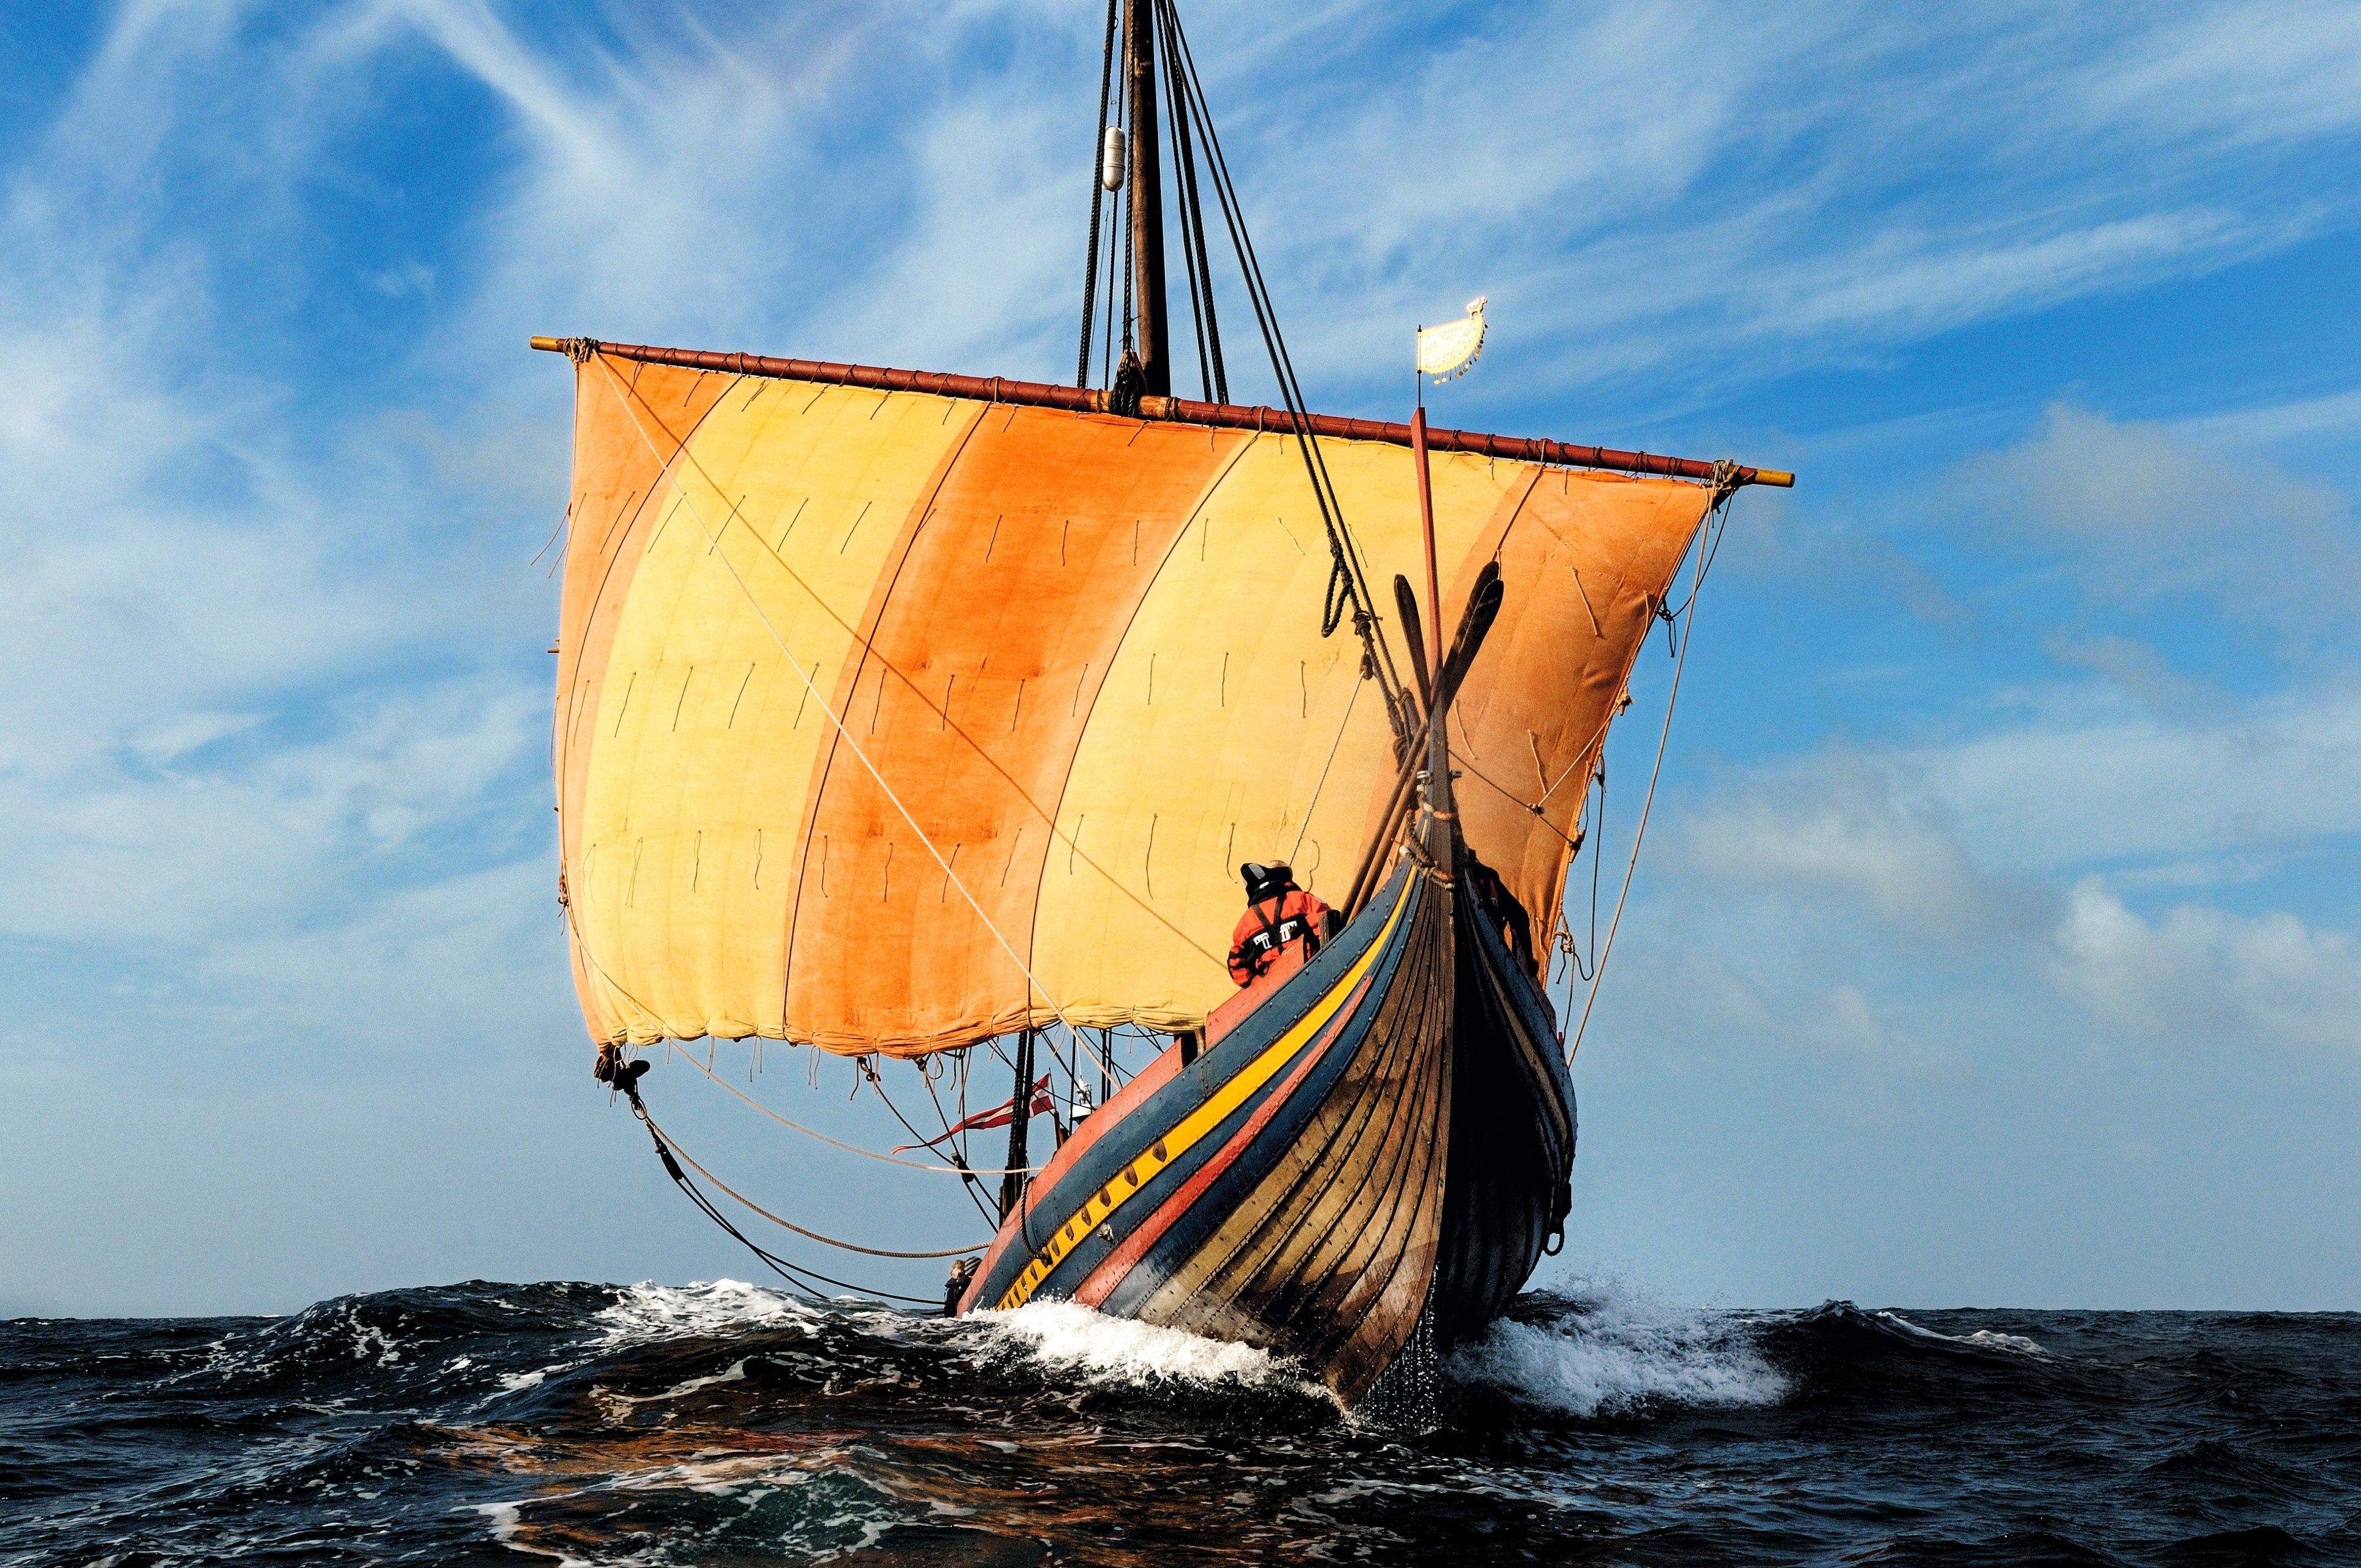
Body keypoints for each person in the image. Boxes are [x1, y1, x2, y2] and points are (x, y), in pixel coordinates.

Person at [1227, 862, 1332, 987]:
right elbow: (1329, 926)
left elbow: (1238, 972)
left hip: (1272, 993)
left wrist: (1258, 983)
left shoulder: (1243, 925)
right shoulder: (1302, 900)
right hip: (1315, 976)